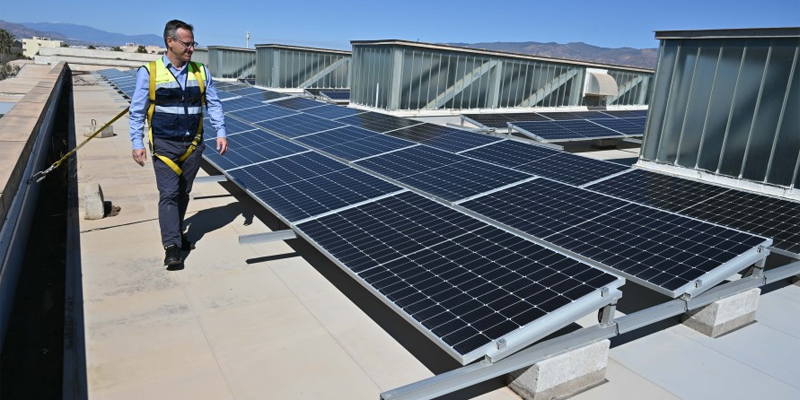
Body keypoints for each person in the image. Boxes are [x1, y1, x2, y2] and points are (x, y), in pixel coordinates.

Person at [129, 19, 228, 266]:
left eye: (193, 43)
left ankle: (176, 232)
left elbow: (213, 104)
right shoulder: (150, 72)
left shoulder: (201, 71)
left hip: (193, 145)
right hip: (164, 144)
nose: (191, 48)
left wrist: (221, 131)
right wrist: (136, 142)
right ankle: (172, 245)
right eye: (187, 43)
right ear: (170, 42)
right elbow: (137, 110)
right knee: (169, 194)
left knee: (184, 193)